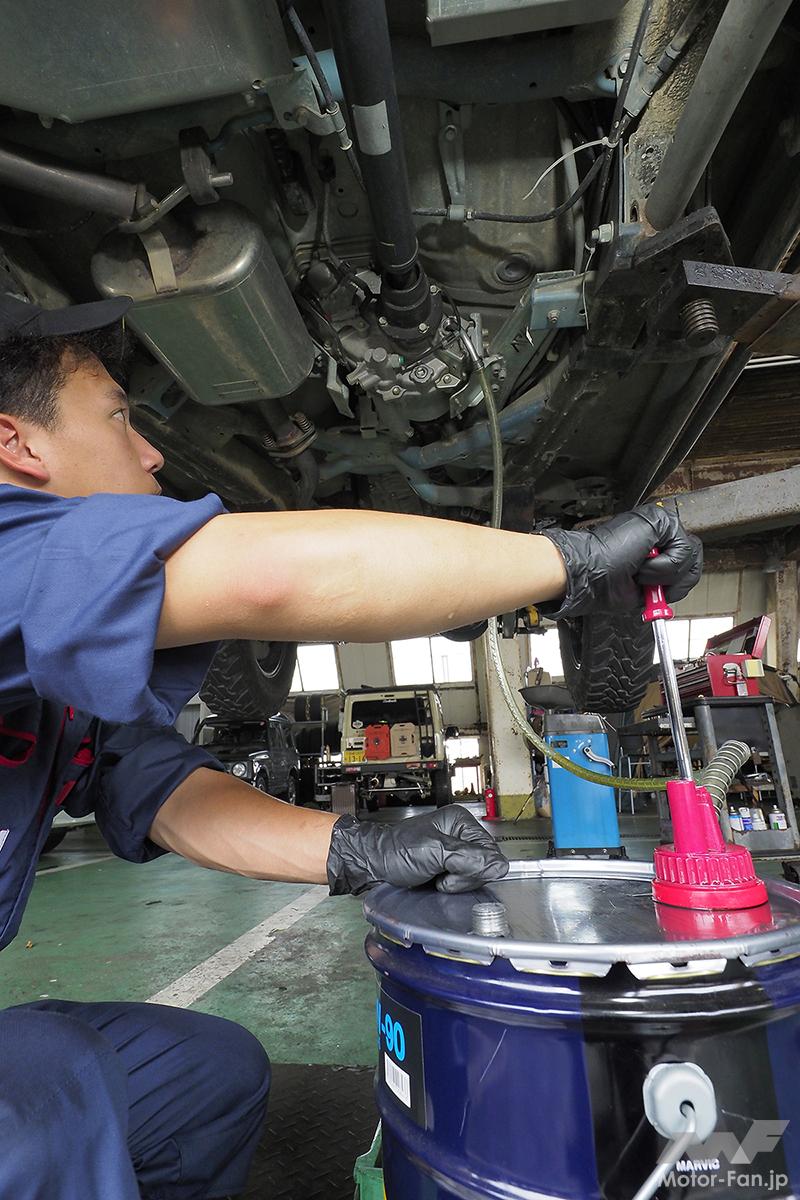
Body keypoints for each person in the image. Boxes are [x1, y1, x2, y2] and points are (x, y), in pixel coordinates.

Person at [0, 292, 702, 1199]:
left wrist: (355, 846)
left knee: (207, 1077)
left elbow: (165, 794)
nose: (151, 451)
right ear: (18, 444)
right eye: (118, 417)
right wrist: (570, 561)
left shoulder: (58, 655)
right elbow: (268, 576)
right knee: (46, 1106)